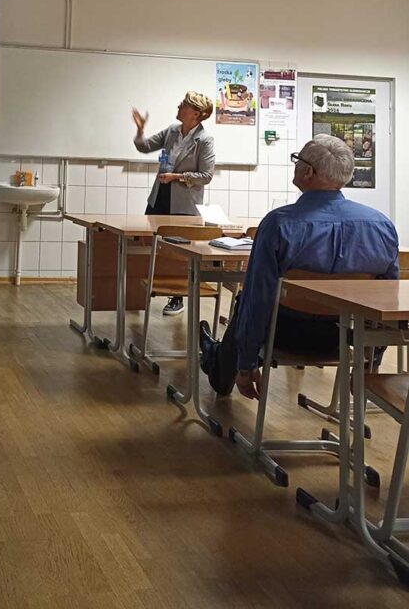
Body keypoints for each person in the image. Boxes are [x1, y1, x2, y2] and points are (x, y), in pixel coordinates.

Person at [199, 134, 398, 399]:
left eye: (297, 160)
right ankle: (215, 357)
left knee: (246, 300)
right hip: (344, 337)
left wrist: (246, 365)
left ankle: (218, 364)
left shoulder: (278, 224)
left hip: (281, 336)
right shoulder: (381, 226)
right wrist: (370, 364)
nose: (295, 165)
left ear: (308, 172)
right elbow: (388, 303)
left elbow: (258, 301)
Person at [132, 91, 216, 315]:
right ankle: (139, 291)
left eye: (184, 105)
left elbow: (206, 176)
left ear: (196, 114)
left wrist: (177, 177)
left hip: (183, 203)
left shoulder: (204, 141)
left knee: (178, 252)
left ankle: (177, 297)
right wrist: (140, 129)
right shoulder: (171, 131)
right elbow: (143, 146)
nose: (179, 107)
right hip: (159, 195)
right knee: (148, 243)